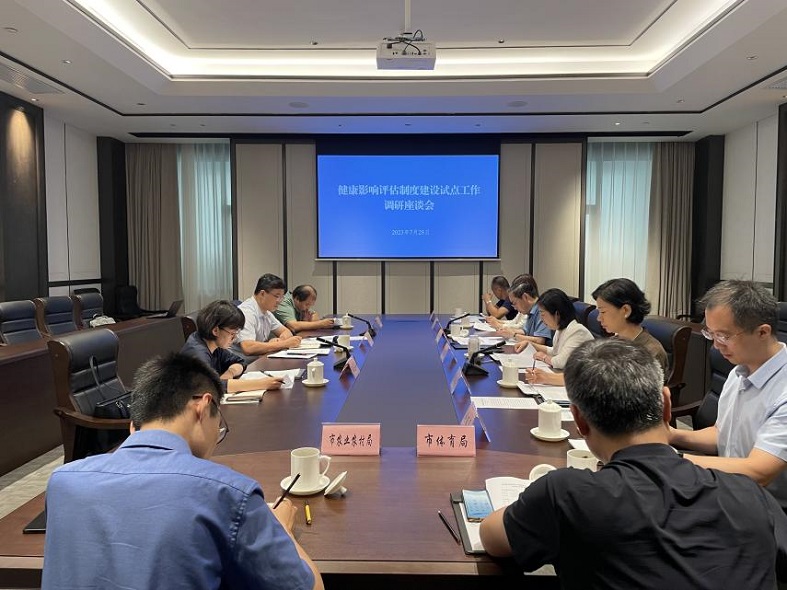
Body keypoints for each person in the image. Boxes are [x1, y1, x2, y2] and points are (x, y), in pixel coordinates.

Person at [480, 339, 787, 589]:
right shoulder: (751, 495)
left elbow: (491, 537)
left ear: (579, 421)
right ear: (666, 406)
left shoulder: (566, 494)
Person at [42, 353, 324, 590]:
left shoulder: (63, 482)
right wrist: (281, 528)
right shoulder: (228, 493)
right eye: (220, 423)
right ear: (203, 406)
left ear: (133, 426)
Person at [669, 280, 787, 510]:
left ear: (762, 332)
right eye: (711, 334)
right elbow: (723, 434)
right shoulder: (739, 371)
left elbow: (759, 471)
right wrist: (671, 435)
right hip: (730, 491)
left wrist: (672, 460)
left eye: (723, 336)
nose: (716, 345)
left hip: (769, 510)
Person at [527, 278, 668, 386]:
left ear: (625, 310)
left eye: (603, 312)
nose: (599, 318)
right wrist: (546, 377)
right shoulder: (611, 343)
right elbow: (585, 377)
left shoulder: (651, 352)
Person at [181, 299, 284, 393]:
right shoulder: (197, 353)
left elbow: (240, 362)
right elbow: (209, 387)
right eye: (232, 333)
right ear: (215, 330)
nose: (234, 338)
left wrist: (230, 372)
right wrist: (261, 384)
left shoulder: (213, 344)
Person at [515, 288, 592, 369]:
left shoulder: (578, 331)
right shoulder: (561, 329)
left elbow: (561, 362)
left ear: (557, 314)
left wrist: (543, 357)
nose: (541, 319)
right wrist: (530, 344)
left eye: (543, 314)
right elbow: (554, 351)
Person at [232, 273, 302, 359]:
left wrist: (280, 340)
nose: (279, 301)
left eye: (282, 297)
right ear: (262, 294)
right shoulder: (247, 312)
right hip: (241, 364)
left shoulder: (266, 312)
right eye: (277, 296)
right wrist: (283, 344)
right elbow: (248, 347)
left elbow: (286, 332)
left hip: (258, 360)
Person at [491, 275, 552, 346]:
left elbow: (540, 341)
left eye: (515, 303)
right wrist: (507, 331)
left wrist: (514, 335)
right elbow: (525, 331)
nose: (514, 308)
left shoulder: (541, 310)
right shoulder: (530, 310)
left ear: (525, 297)